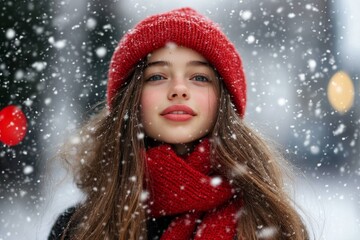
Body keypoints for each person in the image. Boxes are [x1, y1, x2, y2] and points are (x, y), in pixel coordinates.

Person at [48, 7, 309, 240]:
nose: (179, 89)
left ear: (222, 101)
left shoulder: (268, 223)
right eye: (158, 76)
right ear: (131, 99)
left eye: (199, 77)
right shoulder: (80, 228)